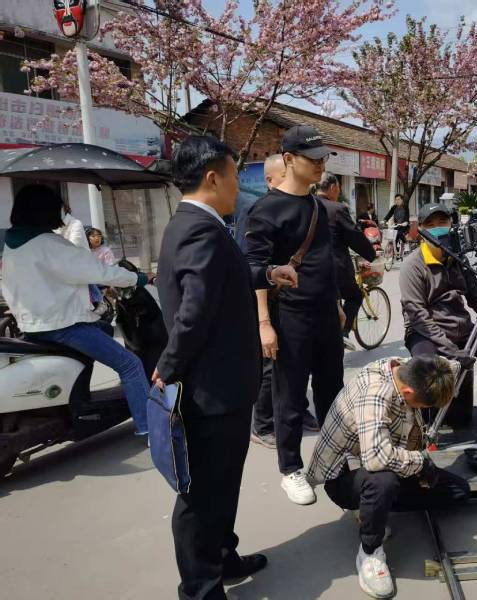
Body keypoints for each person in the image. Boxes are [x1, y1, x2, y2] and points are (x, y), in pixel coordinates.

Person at [154, 136, 276, 599]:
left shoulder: (199, 225)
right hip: (210, 389)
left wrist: (268, 275)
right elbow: (194, 311)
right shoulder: (199, 230)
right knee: (201, 495)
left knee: (223, 484)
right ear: (212, 178)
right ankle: (200, 589)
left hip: (225, 386)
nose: (237, 186)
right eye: (234, 175)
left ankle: (223, 558)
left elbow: (221, 282)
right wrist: (167, 367)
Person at [308, 354, 469, 599]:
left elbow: (445, 365)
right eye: (422, 407)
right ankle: (370, 551)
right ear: (408, 392)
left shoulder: (408, 367)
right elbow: (376, 459)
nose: (422, 411)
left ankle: (373, 508)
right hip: (346, 475)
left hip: (388, 459)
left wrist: (459, 364)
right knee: (383, 481)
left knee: (457, 491)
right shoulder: (375, 393)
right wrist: (420, 463)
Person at [245, 125, 345, 506]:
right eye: (312, 158)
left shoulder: (318, 206)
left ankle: (334, 456)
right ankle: (291, 469)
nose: (320, 165)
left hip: (325, 314)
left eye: (323, 158)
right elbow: (254, 269)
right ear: (288, 159)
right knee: (288, 397)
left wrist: (336, 304)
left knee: (332, 390)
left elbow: (325, 263)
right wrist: (263, 324)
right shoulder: (267, 209)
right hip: (289, 316)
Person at [0, 184, 150, 436]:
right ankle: (150, 429)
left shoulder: (12, 243)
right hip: (64, 326)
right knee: (131, 365)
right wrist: (138, 278)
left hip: (32, 325)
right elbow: (95, 270)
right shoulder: (48, 243)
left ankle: (81, 395)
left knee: (104, 328)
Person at [400, 202, 477, 426]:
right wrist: (452, 351)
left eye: (443, 222)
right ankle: (420, 423)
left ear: (452, 224)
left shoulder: (459, 259)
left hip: (463, 331)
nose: (438, 228)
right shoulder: (413, 265)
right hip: (424, 333)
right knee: (427, 367)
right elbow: (418, 316)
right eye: (431, 224)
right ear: (422, 230)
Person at [317, 172, 376, 350]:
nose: (339, 192)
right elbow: (354, 236)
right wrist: (371, 254)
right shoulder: (336, 209)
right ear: (333, 188)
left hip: (309, 268)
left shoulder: (307, 205)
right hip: (335, 266)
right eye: (338, 189)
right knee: (355, 295)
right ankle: (342, 332)